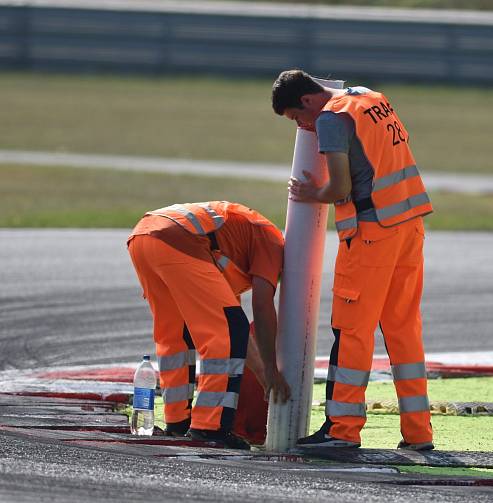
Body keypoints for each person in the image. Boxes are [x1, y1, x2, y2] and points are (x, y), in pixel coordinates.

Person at [272, 69, 434, 450]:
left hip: (371, 234)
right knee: (404, 331)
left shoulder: (330, 117)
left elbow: (340, 186)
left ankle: (342, 431)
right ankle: (418, 434)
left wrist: (313, 193)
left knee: (351, 332)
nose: (303, 127)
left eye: (298, 118)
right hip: (409, 227)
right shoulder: (371, 98)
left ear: (309, 101)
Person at [127, 201, 290, 449]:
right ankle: (209, 428)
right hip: (179, 239)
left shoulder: (235, 247)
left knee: (176, 336)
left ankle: (177, 423)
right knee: (226, 334)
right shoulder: (273, 243)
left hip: (143, 235)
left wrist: (263, 376)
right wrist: (270, 369)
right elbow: (261, 307)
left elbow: (236, 328)